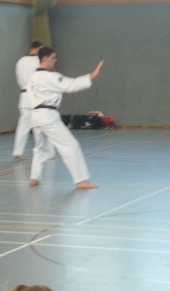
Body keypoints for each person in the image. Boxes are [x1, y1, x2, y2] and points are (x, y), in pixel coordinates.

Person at [27, 46, 104, 190]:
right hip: (48, 117)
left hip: (35, 116)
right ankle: (80, 180)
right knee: (70, 146)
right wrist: (93, 75)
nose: (55, 60)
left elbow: (42, 93)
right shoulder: (50, 76)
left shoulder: (33, 78)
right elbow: (71, 85)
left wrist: (57, 94)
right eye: (53, 57)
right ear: (45, 58)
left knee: (40, 148)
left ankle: (34, 177)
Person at [13, 41, 45, 161]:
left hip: (24, 96)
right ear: (38, 48)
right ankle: (43, 152)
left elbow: (19, 80)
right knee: (40, 125)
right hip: (36, 95)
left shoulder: (20, 61)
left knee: (23, 126)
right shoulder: (39, 60)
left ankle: (17, 152)